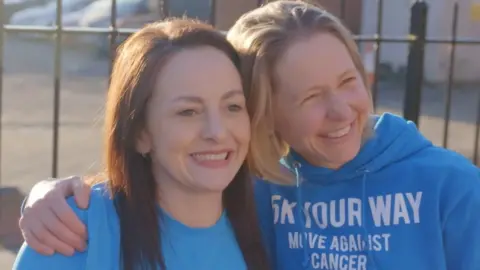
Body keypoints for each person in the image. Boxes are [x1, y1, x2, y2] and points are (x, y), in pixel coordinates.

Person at [17, 1, 480, 270]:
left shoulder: (451, 187)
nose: (341, 110)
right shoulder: (256, 197)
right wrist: (47, 196)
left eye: (348, 81)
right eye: (309, 96)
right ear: (266, 115)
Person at [13, 18, 271, 270]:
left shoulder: (273, 223)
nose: (217, 131)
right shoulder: (72, 232)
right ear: (139, 134)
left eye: (233, 107)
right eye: (188, 112)